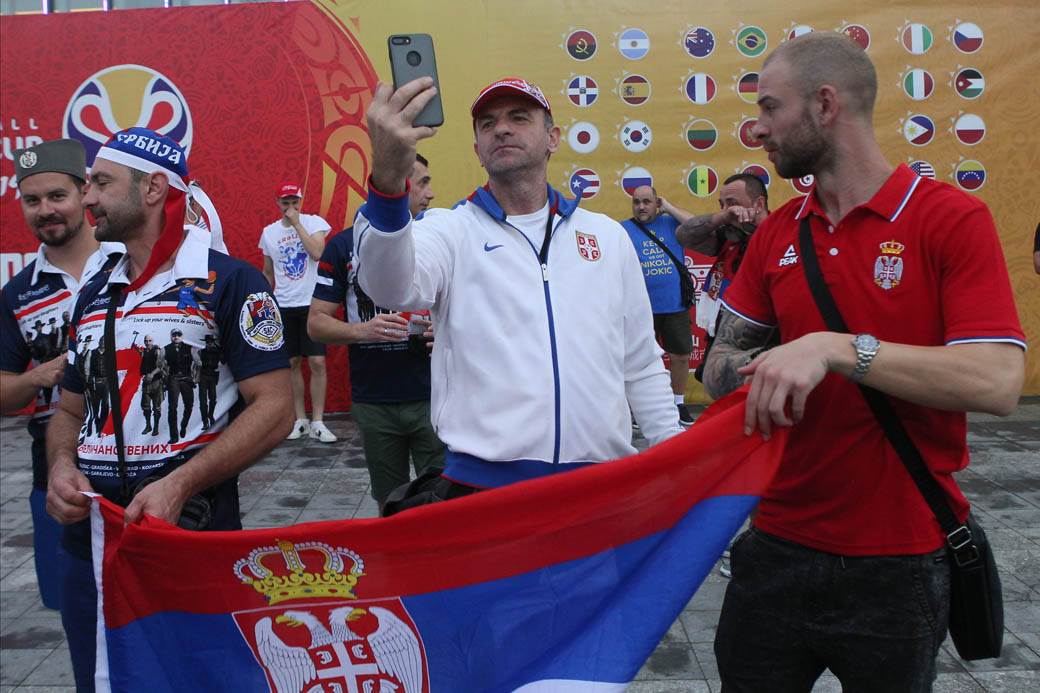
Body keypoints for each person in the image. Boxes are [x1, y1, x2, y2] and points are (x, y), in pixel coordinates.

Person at [703, 33, 1026, 691]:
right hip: (776, 548)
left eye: (770, 107)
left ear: (825, 105)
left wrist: (835, 348)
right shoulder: (777, 231)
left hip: (902, 562)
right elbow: (716, 365)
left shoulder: (950, 219)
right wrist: (763, 365)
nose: (757, 127)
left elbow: (996, 381)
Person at [45, 127, 292, 691]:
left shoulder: (231, 281)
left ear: (153, 188)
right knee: (102, 681)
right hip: (91, 543)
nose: (87, 199)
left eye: (102, 184)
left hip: (189, 539)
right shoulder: (95, 288)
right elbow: (67, 411)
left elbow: (276, 408)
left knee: (200, 681)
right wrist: (60, 466)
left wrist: (180, 485)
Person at [355, 76, 681, 501]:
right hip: (483, 490)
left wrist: (672, 457)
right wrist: (386, 179)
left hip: (600, 488)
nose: (502, 129)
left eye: (519, 118)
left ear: (553, 138)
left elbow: (639, 361)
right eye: (487, 124)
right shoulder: (450, 229)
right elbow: (388, 286)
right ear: (477, 149)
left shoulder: (605, 235)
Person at [0, 138, 121, 611]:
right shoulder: (18, 293)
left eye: (57, 196)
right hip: (56, 475)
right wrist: (39, 377)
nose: (45, 210)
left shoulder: (126, 264)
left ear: (84, 191)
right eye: (32, 201)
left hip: (141, 463)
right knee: (81, 614)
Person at [309, 153, 444, 508]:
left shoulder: (437, 236)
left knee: (446, 499)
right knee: (390, 501)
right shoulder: (343, 244)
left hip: (435, 395)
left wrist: (444, 331)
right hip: (376, 401)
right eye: (423, 182)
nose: (431, 193)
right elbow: (316, 323)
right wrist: (362, 330)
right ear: (399, 184)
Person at [259, 182, 336, 443]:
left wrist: (297, 224)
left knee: (317, 362)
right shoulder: (269, 233)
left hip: (312, 304)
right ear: (277, 203)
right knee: (292, 363)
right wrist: (264, 303)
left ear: (301, 201)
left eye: (294, 202)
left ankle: (318, 421)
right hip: (284, 304)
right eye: (285, 202)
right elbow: (268, 272)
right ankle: (300, 419)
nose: (290, 207)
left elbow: (317, 253)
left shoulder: (314, 223)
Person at [621, 185, 697, 426]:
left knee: (681, 356)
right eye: (636, 202)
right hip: (639, 309)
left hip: (674, 305)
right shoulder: (623, 229)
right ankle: (635, 409)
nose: (641, 207)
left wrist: (670, 208)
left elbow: (697, 225)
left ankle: (678, 403)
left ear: (657, 203)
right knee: (637, 361)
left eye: (646, 201)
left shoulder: (671, 224)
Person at [164, 327, 199, 443]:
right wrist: (165, 378)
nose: (176, 337)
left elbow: (199, 363)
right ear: (171, 336)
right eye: (174, 335)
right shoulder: (165, 349)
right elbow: (159, 365)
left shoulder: (190, 348)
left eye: (178, 334)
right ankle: (174, 436)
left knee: (189, 405)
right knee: (172, 408)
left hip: (187, 379)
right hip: (173, 379)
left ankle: (183, 426)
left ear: (182, 336)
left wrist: (195, 377)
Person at [138, 334, 165, 435]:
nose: (148, 343)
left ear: (152, 341)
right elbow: (143, 356)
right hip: (146, 382)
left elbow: (160, 366)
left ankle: (156, 427)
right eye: (146, 341)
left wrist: (152, 374)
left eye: (150, 341)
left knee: (156, 406)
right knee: (145, 405)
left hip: (156, 381)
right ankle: (148, 425)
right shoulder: (145, 351)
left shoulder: (157, 350)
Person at [198, 333, 223, 430]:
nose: (209, 344)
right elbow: (196, 365)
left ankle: (210, 416)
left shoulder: (217, 352)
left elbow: (223, 360)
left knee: (213, 398)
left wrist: (219, 349)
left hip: (212, 376)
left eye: (211, 342)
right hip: (203, 376)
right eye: (208, 342)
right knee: (203, 401)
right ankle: (205, 421)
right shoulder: (201, 352)